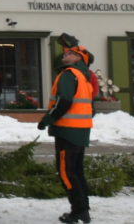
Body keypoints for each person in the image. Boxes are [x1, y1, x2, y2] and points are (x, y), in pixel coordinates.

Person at [37, 36, 94, 224]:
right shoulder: (84, 78)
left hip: (67, 130)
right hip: (80, 130)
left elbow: (64, 101)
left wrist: (47, 119)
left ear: (78, 59)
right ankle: (83, 209)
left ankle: (78, 211)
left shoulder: (69, 74)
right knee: (76, 171)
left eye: (70, 53)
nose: (65, 54)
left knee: (65, 172)